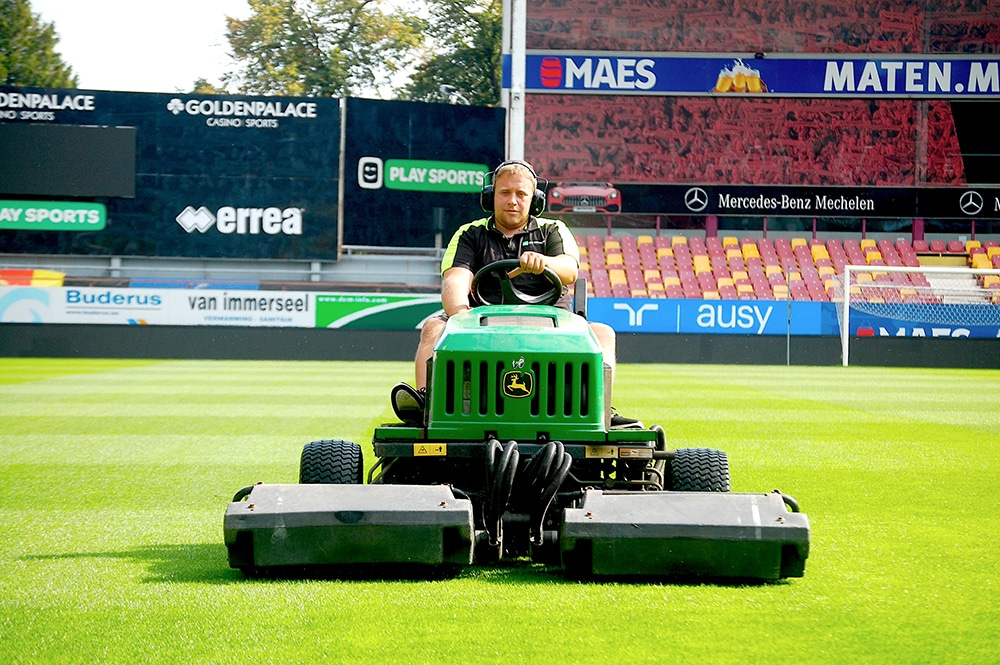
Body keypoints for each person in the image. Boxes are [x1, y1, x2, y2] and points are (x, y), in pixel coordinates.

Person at [391, 160, 637, 428]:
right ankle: (426, 403)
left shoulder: (553, 230)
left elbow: (569, 270)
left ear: (534, 200)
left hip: (552, 321)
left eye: (521, 194)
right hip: (482, 320)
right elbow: (456, 279)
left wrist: (545, 262)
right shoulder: (470, 234)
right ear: (490, 197)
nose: (513, 201)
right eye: (505, 193)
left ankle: (600, 408)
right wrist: (460, 316)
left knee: (603, 333)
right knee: (433, 327)